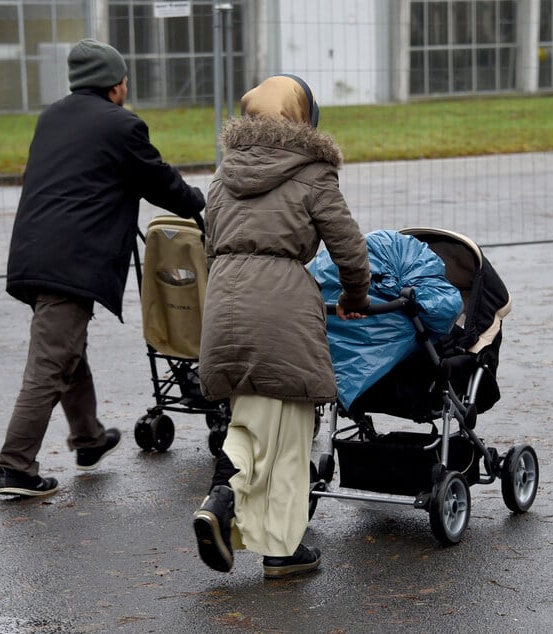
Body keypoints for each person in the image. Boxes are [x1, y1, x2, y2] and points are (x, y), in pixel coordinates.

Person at [0, 39, 206, 497]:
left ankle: (88, 439)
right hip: (70, 261)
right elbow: (158, 181)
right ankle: (15, 466)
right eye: (125, 80)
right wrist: (197, 203)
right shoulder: (121, 125)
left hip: (35, 254)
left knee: (66, 349)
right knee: (50, 363)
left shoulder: (52, 117)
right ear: (115, 84)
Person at [191, 74, 370, 579]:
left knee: (246, 418)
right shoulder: (313, 174)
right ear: (303, 119)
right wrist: (354, 297)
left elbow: (209, 247)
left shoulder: (223, 177)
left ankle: (223, 495)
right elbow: (350, 250)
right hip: (283, 308)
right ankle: (280, 550)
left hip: (225, 304)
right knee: (291, 432)